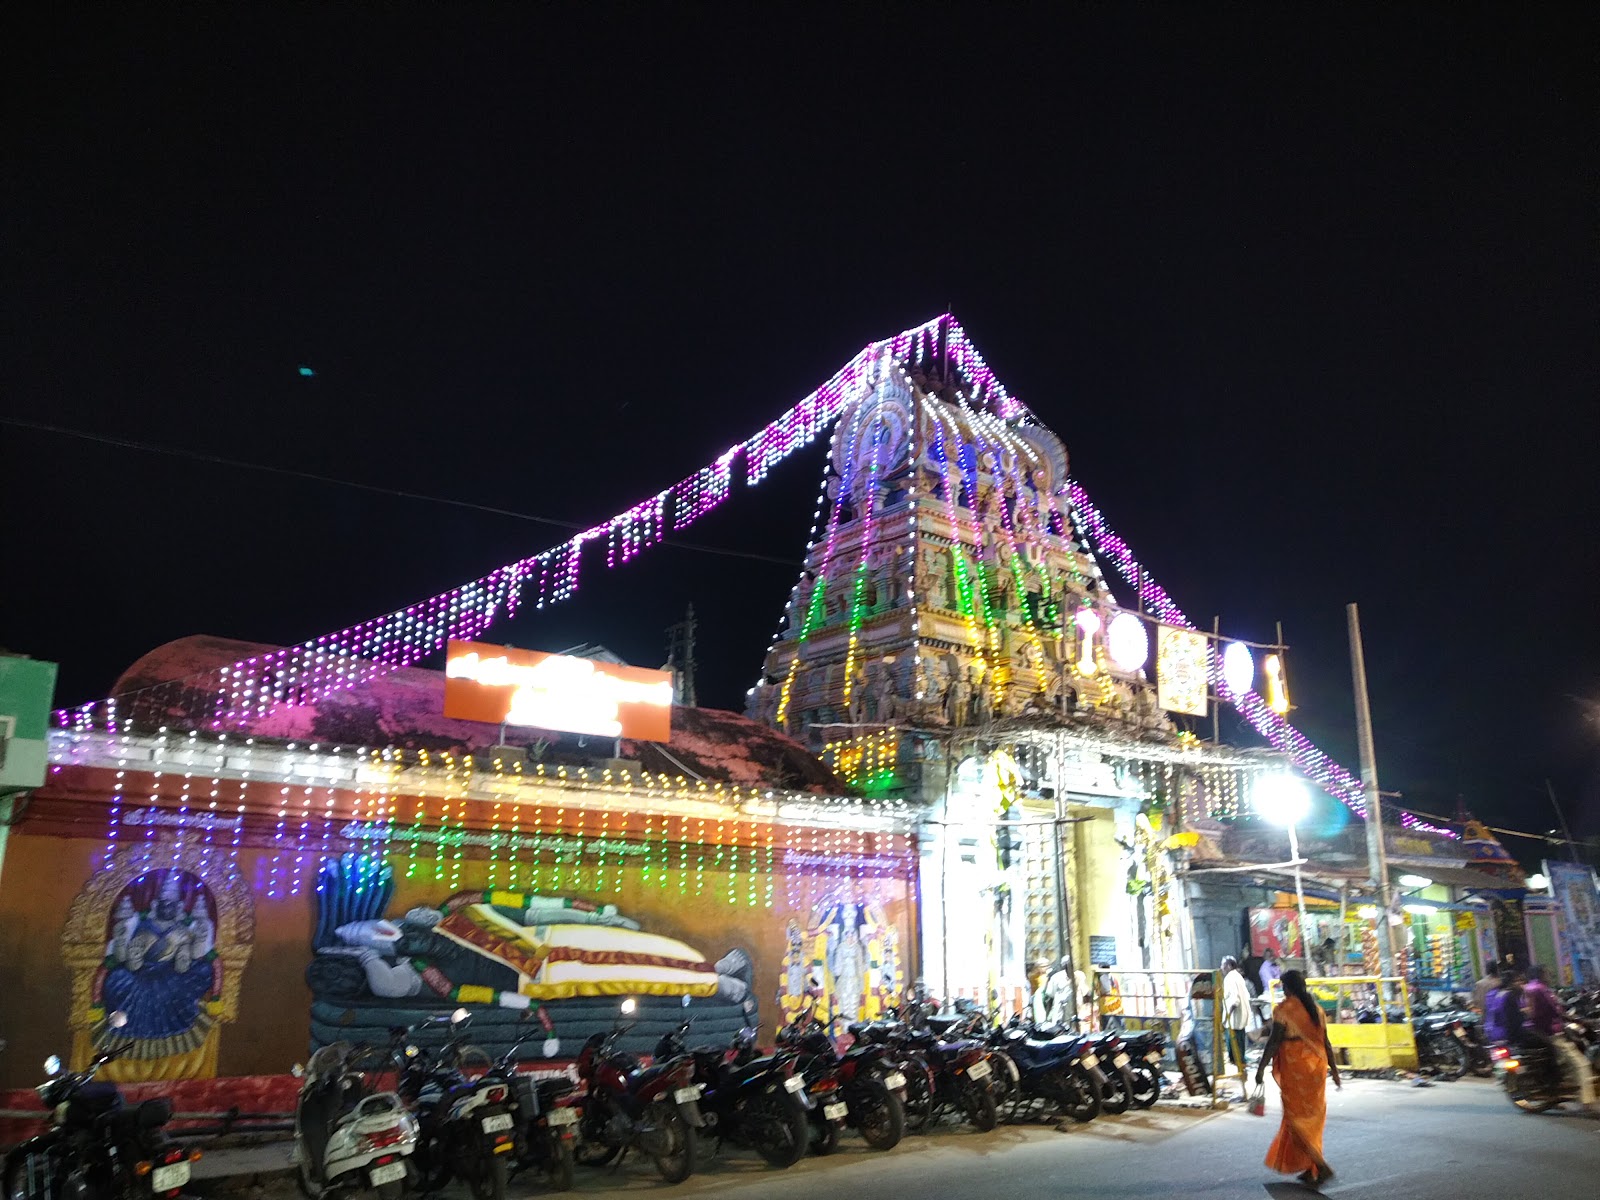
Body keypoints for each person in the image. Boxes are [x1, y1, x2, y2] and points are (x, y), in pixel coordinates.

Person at [1254, 969, 1341, 1188]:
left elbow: (1274, 1041)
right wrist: (1335, 1071)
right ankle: (1310, 1166)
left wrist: (1261, 1067)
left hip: (1297, 1069)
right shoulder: (1317, 1010)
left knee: (1296, 1118)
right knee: (1311, 1118)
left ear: (1288, 988)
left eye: (1284, 987)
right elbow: (1326, 1043)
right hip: (1317, 1068)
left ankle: (1321, 1165)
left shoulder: (1284, 1010)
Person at [1523, 964, 1595, 1108]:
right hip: (1548, 1031)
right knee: (1581, 1064)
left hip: (1536, 1030)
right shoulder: (1540, 989)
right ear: (1542, 974)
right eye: (1547, 973)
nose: (1550, 976)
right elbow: (1556, 1011)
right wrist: (1581, 1021)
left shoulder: (1529, 987)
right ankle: (1588, 1102)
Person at [1220, 956, 1258, 1093]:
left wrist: (1227, 1017)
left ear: (1229, 965)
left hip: (1234, 1021)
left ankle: (1242, 1074)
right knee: (1239, 1048)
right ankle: (1242, 1072)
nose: (1221, 968)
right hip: (1240, 1020)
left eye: (1223, 965)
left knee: (1234, 1050)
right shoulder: (1238, 977)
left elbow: (1234, 1000)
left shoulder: (1230, 978)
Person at [1481, 969, 1523, 1045]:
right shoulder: (1509, 995)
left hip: (1491, 1034)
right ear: (1511, 983)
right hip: (1507, 1035)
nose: (1520, 983)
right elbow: (1514, 1021)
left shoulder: (1492, 994)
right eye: (1517, 981)